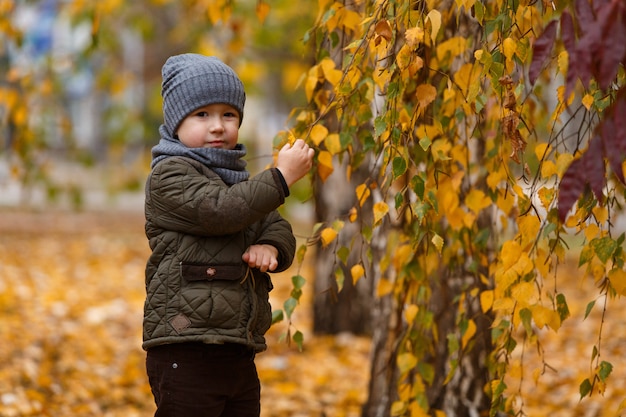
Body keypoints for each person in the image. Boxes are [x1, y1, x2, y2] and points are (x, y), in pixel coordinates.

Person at [142, 53, 314, 417]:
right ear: (176, 123)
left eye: (228, 114)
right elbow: (220, 211)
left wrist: (271, 246)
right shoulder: (169, 176)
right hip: (186, 345)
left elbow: (275, 225)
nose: (217, 126)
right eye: (202, 114)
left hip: (236, 347)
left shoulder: (237, 181)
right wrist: (280, 178)